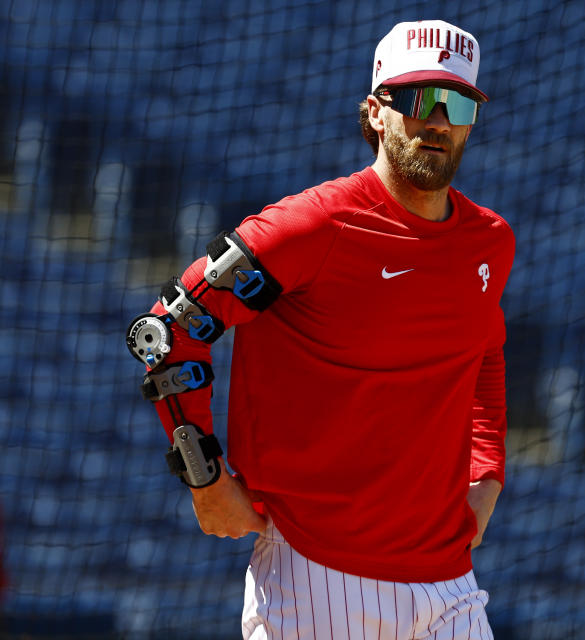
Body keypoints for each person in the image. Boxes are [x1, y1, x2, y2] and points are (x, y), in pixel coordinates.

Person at [125, 19, 513, 640]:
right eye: (417, 100)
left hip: (449, 585)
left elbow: (486, 351)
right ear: (375, 111)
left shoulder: (491, 240)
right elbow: (168, 329)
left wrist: (487, 473)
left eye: (457, 102)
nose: (436, 120)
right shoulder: (311, 227)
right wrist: (204, 477)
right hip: (313, 583)